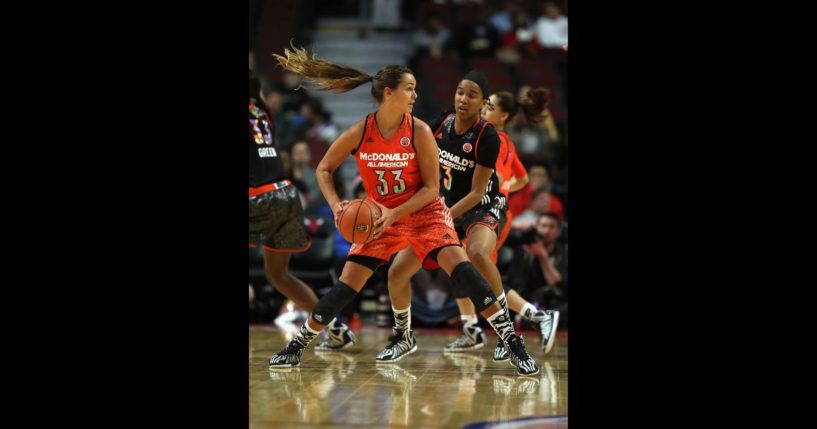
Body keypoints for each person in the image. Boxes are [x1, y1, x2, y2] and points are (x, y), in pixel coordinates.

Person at [267, 46, 538, 376]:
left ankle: (513, 342)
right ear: (388, 92)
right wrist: (338, 207)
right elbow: (324, 168)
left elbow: (432, 189)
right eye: (409, 88)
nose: (415, 94)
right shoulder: (361, 131)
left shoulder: (420, 130)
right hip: (381, 217)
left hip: (424, 213)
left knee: (465, 272)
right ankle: (296, 346)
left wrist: (395, 214)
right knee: (345, 287)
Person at [382, 71, 550, 362]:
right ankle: (404, 335)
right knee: (397, 271)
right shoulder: (440, 124)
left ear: (483, 103)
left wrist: (443, 215)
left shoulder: (489, 137)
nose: (463, 98)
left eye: (472, 94)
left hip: (481, 205)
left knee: (477, 253)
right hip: (446, 209)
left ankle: (506, 331)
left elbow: (475, 193)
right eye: (460, 91)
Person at [249, 71, 356, 352]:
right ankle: (335, 327)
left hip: (258, 197)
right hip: (285, 193)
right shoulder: (263, 112)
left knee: (277, 276)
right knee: (279, 276)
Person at [477, 88, 560, 357]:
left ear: (503, 115)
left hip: (491, 213)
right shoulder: (504, 139)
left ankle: (533, 318)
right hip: (490, 212)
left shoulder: (497, 140)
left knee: (479, 276)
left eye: (489, 106)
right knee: (475, 276)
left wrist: (496, 190)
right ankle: (509, 331)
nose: (483, 109)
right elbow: (521, 179)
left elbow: (498, 177)